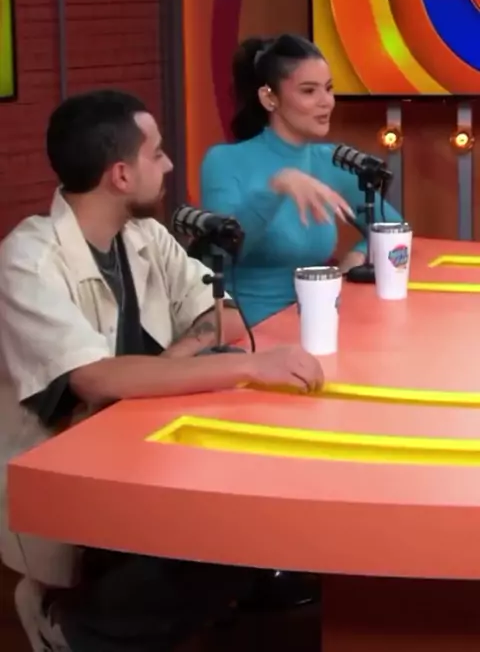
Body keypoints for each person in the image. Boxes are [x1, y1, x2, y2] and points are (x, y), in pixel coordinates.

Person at [0, 89, 323, 652]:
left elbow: (222, 315)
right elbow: (96, 379)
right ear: (121, 175)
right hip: (63, 469)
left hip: (142, 444)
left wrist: (171, 359)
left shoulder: (145, 237)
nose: (170, 165)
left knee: (250, 518)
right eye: (157, 153)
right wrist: (250, 366)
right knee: (222, 542)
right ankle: (68, 624)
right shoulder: (27, 260)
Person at [200, 34, 402, 326]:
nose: (326, 102)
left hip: (318, 323)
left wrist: (357, 258)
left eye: (329, 89)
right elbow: (219, 254)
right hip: (248, 332)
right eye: (309, 91)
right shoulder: (223, 161)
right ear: (269, 98)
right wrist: (277, 187)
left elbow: (393, 229)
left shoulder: (330, 161)